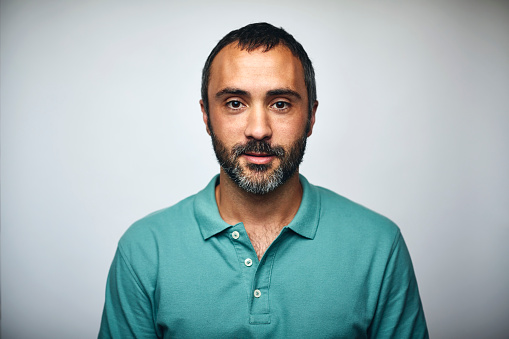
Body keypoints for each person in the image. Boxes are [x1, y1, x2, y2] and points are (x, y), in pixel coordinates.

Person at [99, 22, 428, 338]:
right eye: (235, 103)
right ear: (206, 116)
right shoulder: (144, 250)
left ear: (310, 117)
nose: (258, 129)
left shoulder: (379, 246)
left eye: (281, 104)